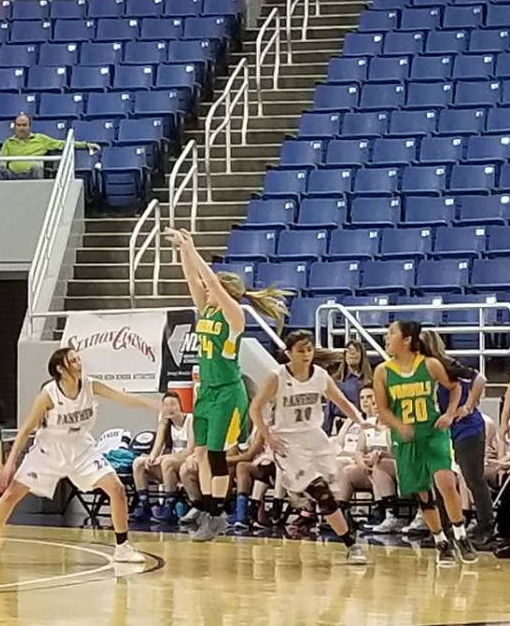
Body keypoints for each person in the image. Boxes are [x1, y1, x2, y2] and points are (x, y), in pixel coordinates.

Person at [0, 347, 161, 563]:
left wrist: (153, 405)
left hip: (82, 450)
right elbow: (26, 429)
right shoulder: (49, 394)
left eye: (78, 359)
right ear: (60, 369)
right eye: (73, 361)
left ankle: (122, 548)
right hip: (48, 452)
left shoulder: (90, 386)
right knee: (11, 495)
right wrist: (9, 464)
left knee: (117, 489)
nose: (79, 364)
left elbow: (123, 398)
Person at [164, 227, 290, 542]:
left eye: (213, 288)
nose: (205, 291)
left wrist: (194, 249)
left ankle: (218, 513)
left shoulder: (234, 315)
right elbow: (193, 280)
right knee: (203, 452)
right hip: (206, 390)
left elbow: (209, 281)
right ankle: (208, 508)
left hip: (227, 392)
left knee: (218, 453)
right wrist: (183, 251)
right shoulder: (207, 310)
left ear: (223, 291)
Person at [249, 330, 371, 564]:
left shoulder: (320, 376)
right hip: (288, 442)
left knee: (330, 493)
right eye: (300, 350)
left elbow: (343, 403)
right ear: (288, 353)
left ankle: (301, 497)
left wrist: (360, 420)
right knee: (321, 492)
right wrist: (268, 437)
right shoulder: (277, 377)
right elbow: (255, 409)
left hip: (316, 439)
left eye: (309, 349)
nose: (306, 354)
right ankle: (351, 544)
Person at [372, 320, 477, 566]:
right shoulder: (383, 371)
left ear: (407, 339)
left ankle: (460, 535)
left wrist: (450, 413)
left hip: (432, 433)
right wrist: (399, 426)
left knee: (447, 483)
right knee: (423, 493)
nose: (386, 338)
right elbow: (383, 410)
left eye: (391, 333)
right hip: (406, 439)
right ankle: (440, 541)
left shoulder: (429, 364)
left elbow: (455, 387)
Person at [419, 329, 493, 546]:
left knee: (473, 478)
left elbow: (480, 378)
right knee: (441, 479)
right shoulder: (419, 370)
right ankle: (444, 528)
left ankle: (486, 525)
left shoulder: (446, 364)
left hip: (467, 428)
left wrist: (468, 406)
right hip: (441, 432)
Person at [335, 383, 403, 533]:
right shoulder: (369, 425)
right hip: (371, 468)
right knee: (347, 472)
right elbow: (359, 451)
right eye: (373, 404)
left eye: (378, 403)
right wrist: (361, 462)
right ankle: (342, 516)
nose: (375, 406)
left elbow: (401, 454)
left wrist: (381, 455)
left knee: (380, 465)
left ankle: (388, 515)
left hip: (395, 468)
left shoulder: (396, 424)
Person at [130, 392, 194, 523]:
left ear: (180, 406)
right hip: (168, 466)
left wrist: (165, 457)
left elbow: (189, 451)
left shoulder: (190, 420)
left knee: (166, 462)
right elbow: (157, 445)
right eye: (165, 405)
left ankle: (169, 507)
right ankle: (144, 506)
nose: (169, 408)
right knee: (138, 463)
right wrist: (152, 457)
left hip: (185, 464)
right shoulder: (164, 422)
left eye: (172, 404)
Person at [0, 114, 100, 180]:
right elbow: (3, 162)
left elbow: (62, 144)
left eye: (24, 125)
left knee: (38, 167)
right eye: (19, 125)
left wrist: (85, 145)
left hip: (31, 174)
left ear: (29, 126)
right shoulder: (8, 142)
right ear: (15, 127)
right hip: (12, 175)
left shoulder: (41, 139)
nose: (22, 128)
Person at [325, 340, 373, 434]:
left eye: (356, 351)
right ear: (345, 355)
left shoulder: (371, 380)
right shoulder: (336, 381)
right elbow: (329, 409)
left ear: (362, 355)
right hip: (341, 427)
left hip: (365, 425)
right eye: (349, 351)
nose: (352, 354)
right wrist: (326, 432)